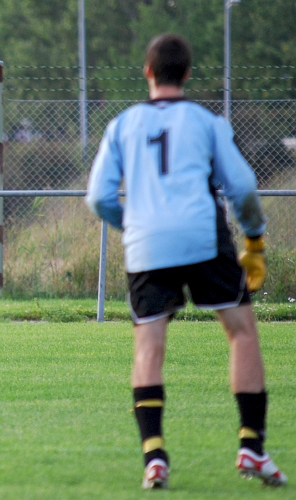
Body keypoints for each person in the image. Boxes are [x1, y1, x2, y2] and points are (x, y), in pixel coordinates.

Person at [85, 34, 287, 489]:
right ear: (188, 73)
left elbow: (98, 196)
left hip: (147, 246)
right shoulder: (206, 121)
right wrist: (254, 240)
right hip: (203, 237)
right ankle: (252, 445)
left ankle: (154, 456)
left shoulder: (122, 125)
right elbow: (242, 187)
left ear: (148, 72)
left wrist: (132, 222)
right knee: (241, 333)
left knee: (149, 345)